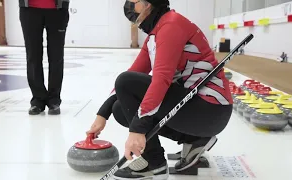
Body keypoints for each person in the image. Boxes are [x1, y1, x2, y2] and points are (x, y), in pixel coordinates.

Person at [87, 0, 233, 179]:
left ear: (148, 4)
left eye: (133, 1)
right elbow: (134, 73)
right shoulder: (157, 32)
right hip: (197, 110)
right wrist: (103, 114)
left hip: (209, 110)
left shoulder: (171, 25)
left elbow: (161, 79)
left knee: (126, 84)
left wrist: (138, 130)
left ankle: (153, 162)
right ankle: (194, 140)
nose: (128, 4)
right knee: (119, 108)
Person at [18, 0, 70, 115]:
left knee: (56, 56)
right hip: (29, 9)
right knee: (33, 55)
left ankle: (54, 100)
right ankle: (38, 99)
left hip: (58, 10)